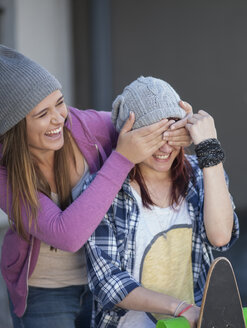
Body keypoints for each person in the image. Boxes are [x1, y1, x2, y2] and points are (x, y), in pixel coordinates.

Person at [0, 45, 192, 328]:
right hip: (46, 290)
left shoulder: (91, 128)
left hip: (107, 282)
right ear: (15, 126)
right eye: (42, 114)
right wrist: (122, 159)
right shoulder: (5, 172)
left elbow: (154, 130)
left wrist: (177, 132)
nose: (58, 118)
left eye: (60, 102)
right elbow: (67, 235)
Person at [85, 76, 239, 328]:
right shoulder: (102, 187)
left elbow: (221, 237)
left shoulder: (199, 174)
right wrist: (179, 308)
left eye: (172, 131)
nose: (165, 147)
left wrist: (209, 150)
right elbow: (108, 282)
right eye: (152, 134)